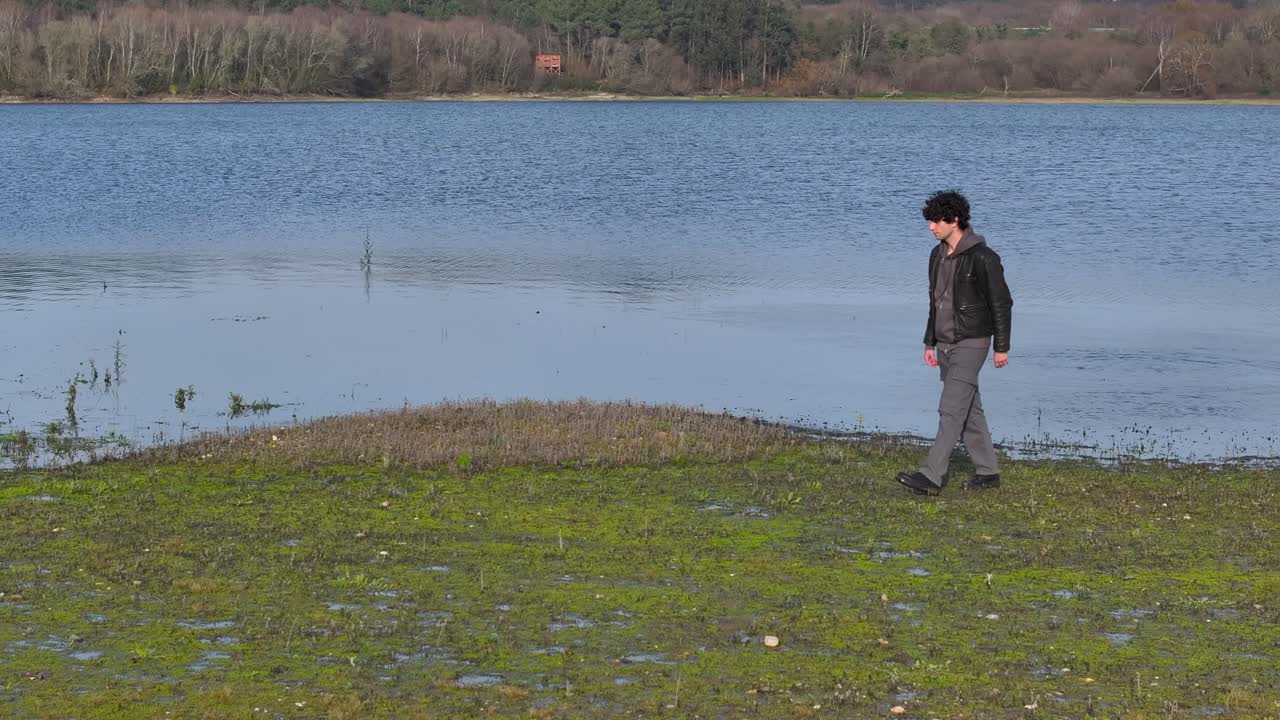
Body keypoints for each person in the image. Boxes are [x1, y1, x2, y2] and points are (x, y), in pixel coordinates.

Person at [896, 190, 1012, 496]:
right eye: (930, 221)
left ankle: (931, 475)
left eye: (936, 221)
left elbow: (1002, 303)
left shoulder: (983, 258)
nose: (930, 227)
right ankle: (988, 472)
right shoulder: (936, 255)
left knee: (950, 408)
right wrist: (929, 342)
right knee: (968, 408)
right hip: (945, 344)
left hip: (972, 342)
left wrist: (1002, 347)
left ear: (954, 220)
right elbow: (935, 302)